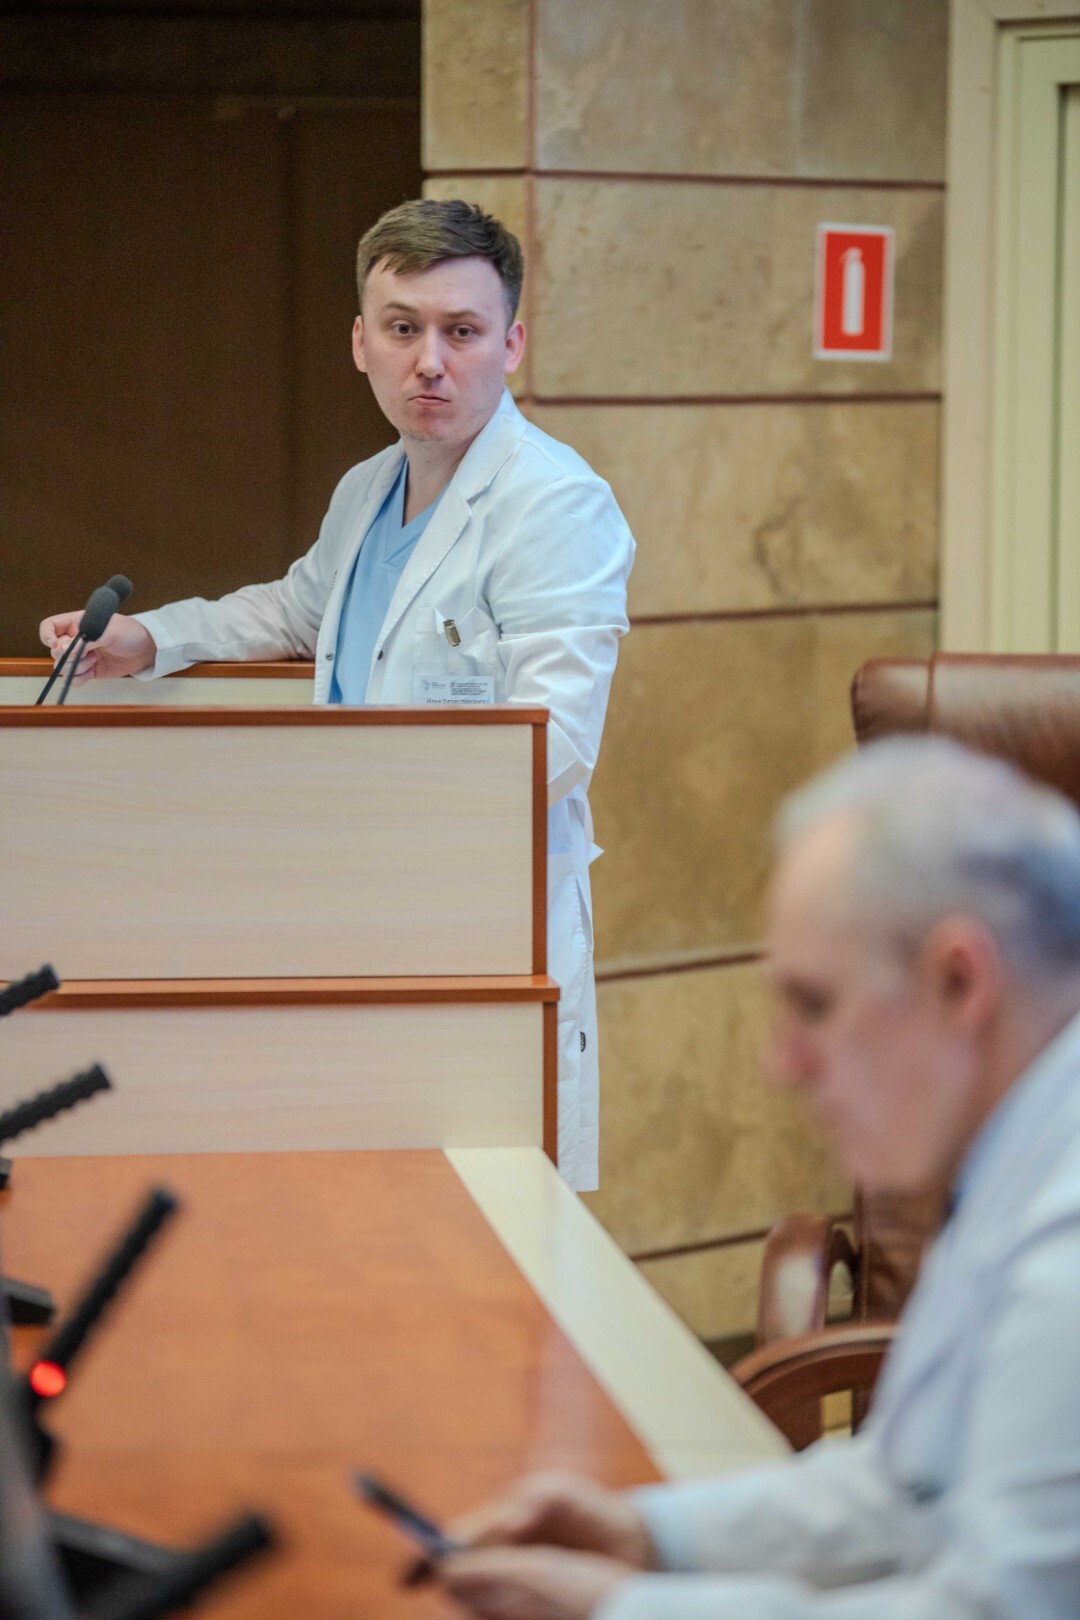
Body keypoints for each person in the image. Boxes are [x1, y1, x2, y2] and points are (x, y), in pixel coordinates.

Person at [39, 199, 635, 1193]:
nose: (429, 362)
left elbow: (557, 743)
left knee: (484, 1218)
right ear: (362, 343)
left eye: (462, 331)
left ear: (512, 345)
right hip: (354, 908)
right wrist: (154, 640)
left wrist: (358, 808)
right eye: (403, 328)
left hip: (476, 921)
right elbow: (297, 607)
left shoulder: (555, 504)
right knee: (364, 1204)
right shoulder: (369, 487)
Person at [430, 736, 1080, 1618]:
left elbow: (997, 1608)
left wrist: (621, 1609)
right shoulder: (1018, 1150)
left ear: (959, 982)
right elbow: (906, 1488)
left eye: (814, 1005)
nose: (782, 1063)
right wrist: (651, 1536)